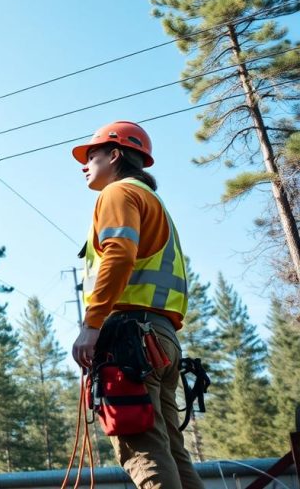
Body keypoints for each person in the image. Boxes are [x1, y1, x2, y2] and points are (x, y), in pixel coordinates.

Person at [70, 121, 203, 489]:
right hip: (159, 339)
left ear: (114, 155)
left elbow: (118, 254)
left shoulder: (117, 194)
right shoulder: (151, 200)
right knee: (172, 454)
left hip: (131, 339)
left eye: (91, 155)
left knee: (142, 451)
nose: (84, 164)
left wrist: (92, 324)